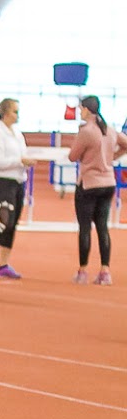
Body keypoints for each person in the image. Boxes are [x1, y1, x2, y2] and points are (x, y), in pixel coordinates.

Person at [0, 98, 41, 280]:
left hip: (19, 181)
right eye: (15, 111)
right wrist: (20, 161)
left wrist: (26, 162)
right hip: (3, 182)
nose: (18, 115)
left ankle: (4, 265)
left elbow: (22, 155)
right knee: (6, 223)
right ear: (5, 112)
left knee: (13, 225)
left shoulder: (17, 133)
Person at [68, 95, 127, 285]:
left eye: (80, 109)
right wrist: (112, 157)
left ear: (86, 109)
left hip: (89, 183)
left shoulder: (86, 131)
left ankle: (83, 270)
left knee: (85, 227)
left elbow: (72, 156)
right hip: (108, 182)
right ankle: (105, 271)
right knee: (103, 227)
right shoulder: (109, 130)